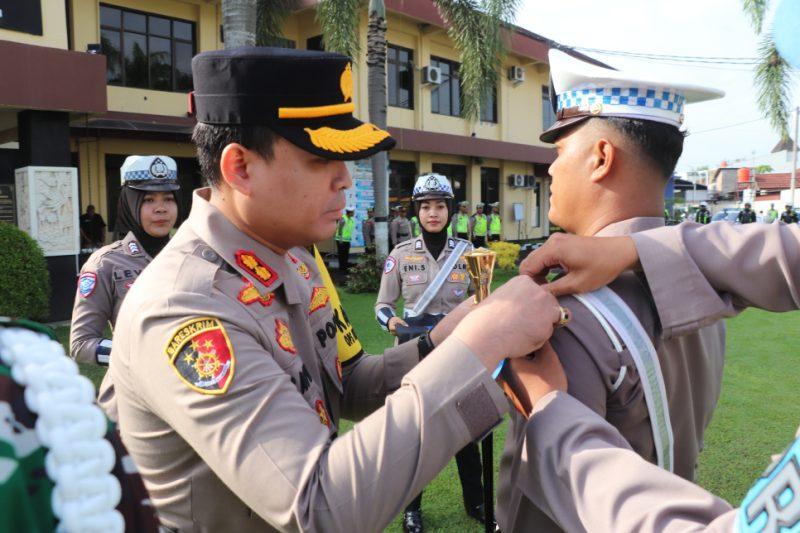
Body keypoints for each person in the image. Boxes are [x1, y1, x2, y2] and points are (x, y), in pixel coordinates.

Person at [103, 47, 563, 532]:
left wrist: (439, 342)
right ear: (240, 168)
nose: (346, 179)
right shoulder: (186, 306)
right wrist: (482, 346)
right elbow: (317, 507)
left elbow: (344, 387)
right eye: (322, 158)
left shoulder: (292, 259)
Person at [495, 49, 727, 532]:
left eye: (559, 153)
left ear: (601, 158)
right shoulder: (705, 281)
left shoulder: (566, 314)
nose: (550, 171)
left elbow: (539, 507)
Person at [516, 221, 800, 531]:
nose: (554, 168)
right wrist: (637, 250)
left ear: (601, 167)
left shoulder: (575, 322)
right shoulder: (703, 300)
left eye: (561, 165)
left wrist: (551, 414)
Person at [375, 173, 484, 531]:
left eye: (440, 206)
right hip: (414, 355)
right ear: (416, 212)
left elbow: (480, 301)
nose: (433, 213)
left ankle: (477, 502)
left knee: (466, 430)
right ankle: (411, 509)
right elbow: (382, 305)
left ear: (450, 210)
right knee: (415, 436)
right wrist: (393, 324)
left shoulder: (469, 253)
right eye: (425, 207)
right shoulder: (400, 255)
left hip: (458, 354)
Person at [70, 155, 180, 368]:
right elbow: (81, 344)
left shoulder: (194, 255)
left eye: (168, 198)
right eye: (148, 200)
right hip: (134, 393)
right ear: (130, 204)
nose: (161, 208)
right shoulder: (105, 264)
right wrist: (139, 355)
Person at [335, 206, 355, 275]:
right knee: (342, 256)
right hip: (341, 241)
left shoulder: (350, 219)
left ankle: (344, 269)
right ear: (350, 212)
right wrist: (340, 240)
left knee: (346, 256)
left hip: (346, 241)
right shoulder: (343, 219)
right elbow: (340, 229)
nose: (354, 213)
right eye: (353, 212)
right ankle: (341, 270)